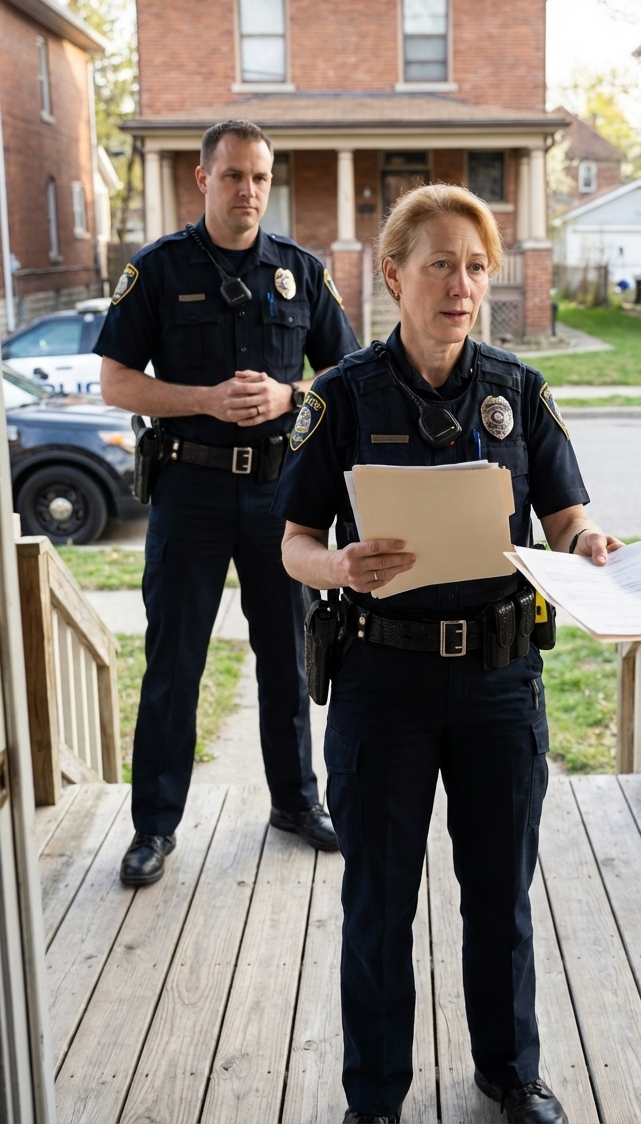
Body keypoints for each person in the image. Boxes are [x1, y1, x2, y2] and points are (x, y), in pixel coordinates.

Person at [275, 183, 622, 1124]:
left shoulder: (516, 390)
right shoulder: (339, 396)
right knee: (380, 903)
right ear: (393, 276)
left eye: (475, 267)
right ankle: (375, 1097)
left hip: (499, 682)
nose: (461, 285)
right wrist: (338, 565)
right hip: (382, 681)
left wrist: (587, 542)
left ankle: (510, 1073)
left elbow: (568, 513)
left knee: (498, 896)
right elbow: (292, 540)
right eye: (440, 264)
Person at [95, 119, 359, 885]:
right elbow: (116, 383)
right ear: (203, 180)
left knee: (287, 658)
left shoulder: (300, 273)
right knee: (173, 662)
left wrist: (287, 394)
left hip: (281, 496)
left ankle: (294, 802)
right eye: (234, 175)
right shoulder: (159, 269)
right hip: (191, 489)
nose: (248, 191)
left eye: (260, 178)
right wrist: (203, 399)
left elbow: (346, 377)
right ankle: (154, 827)